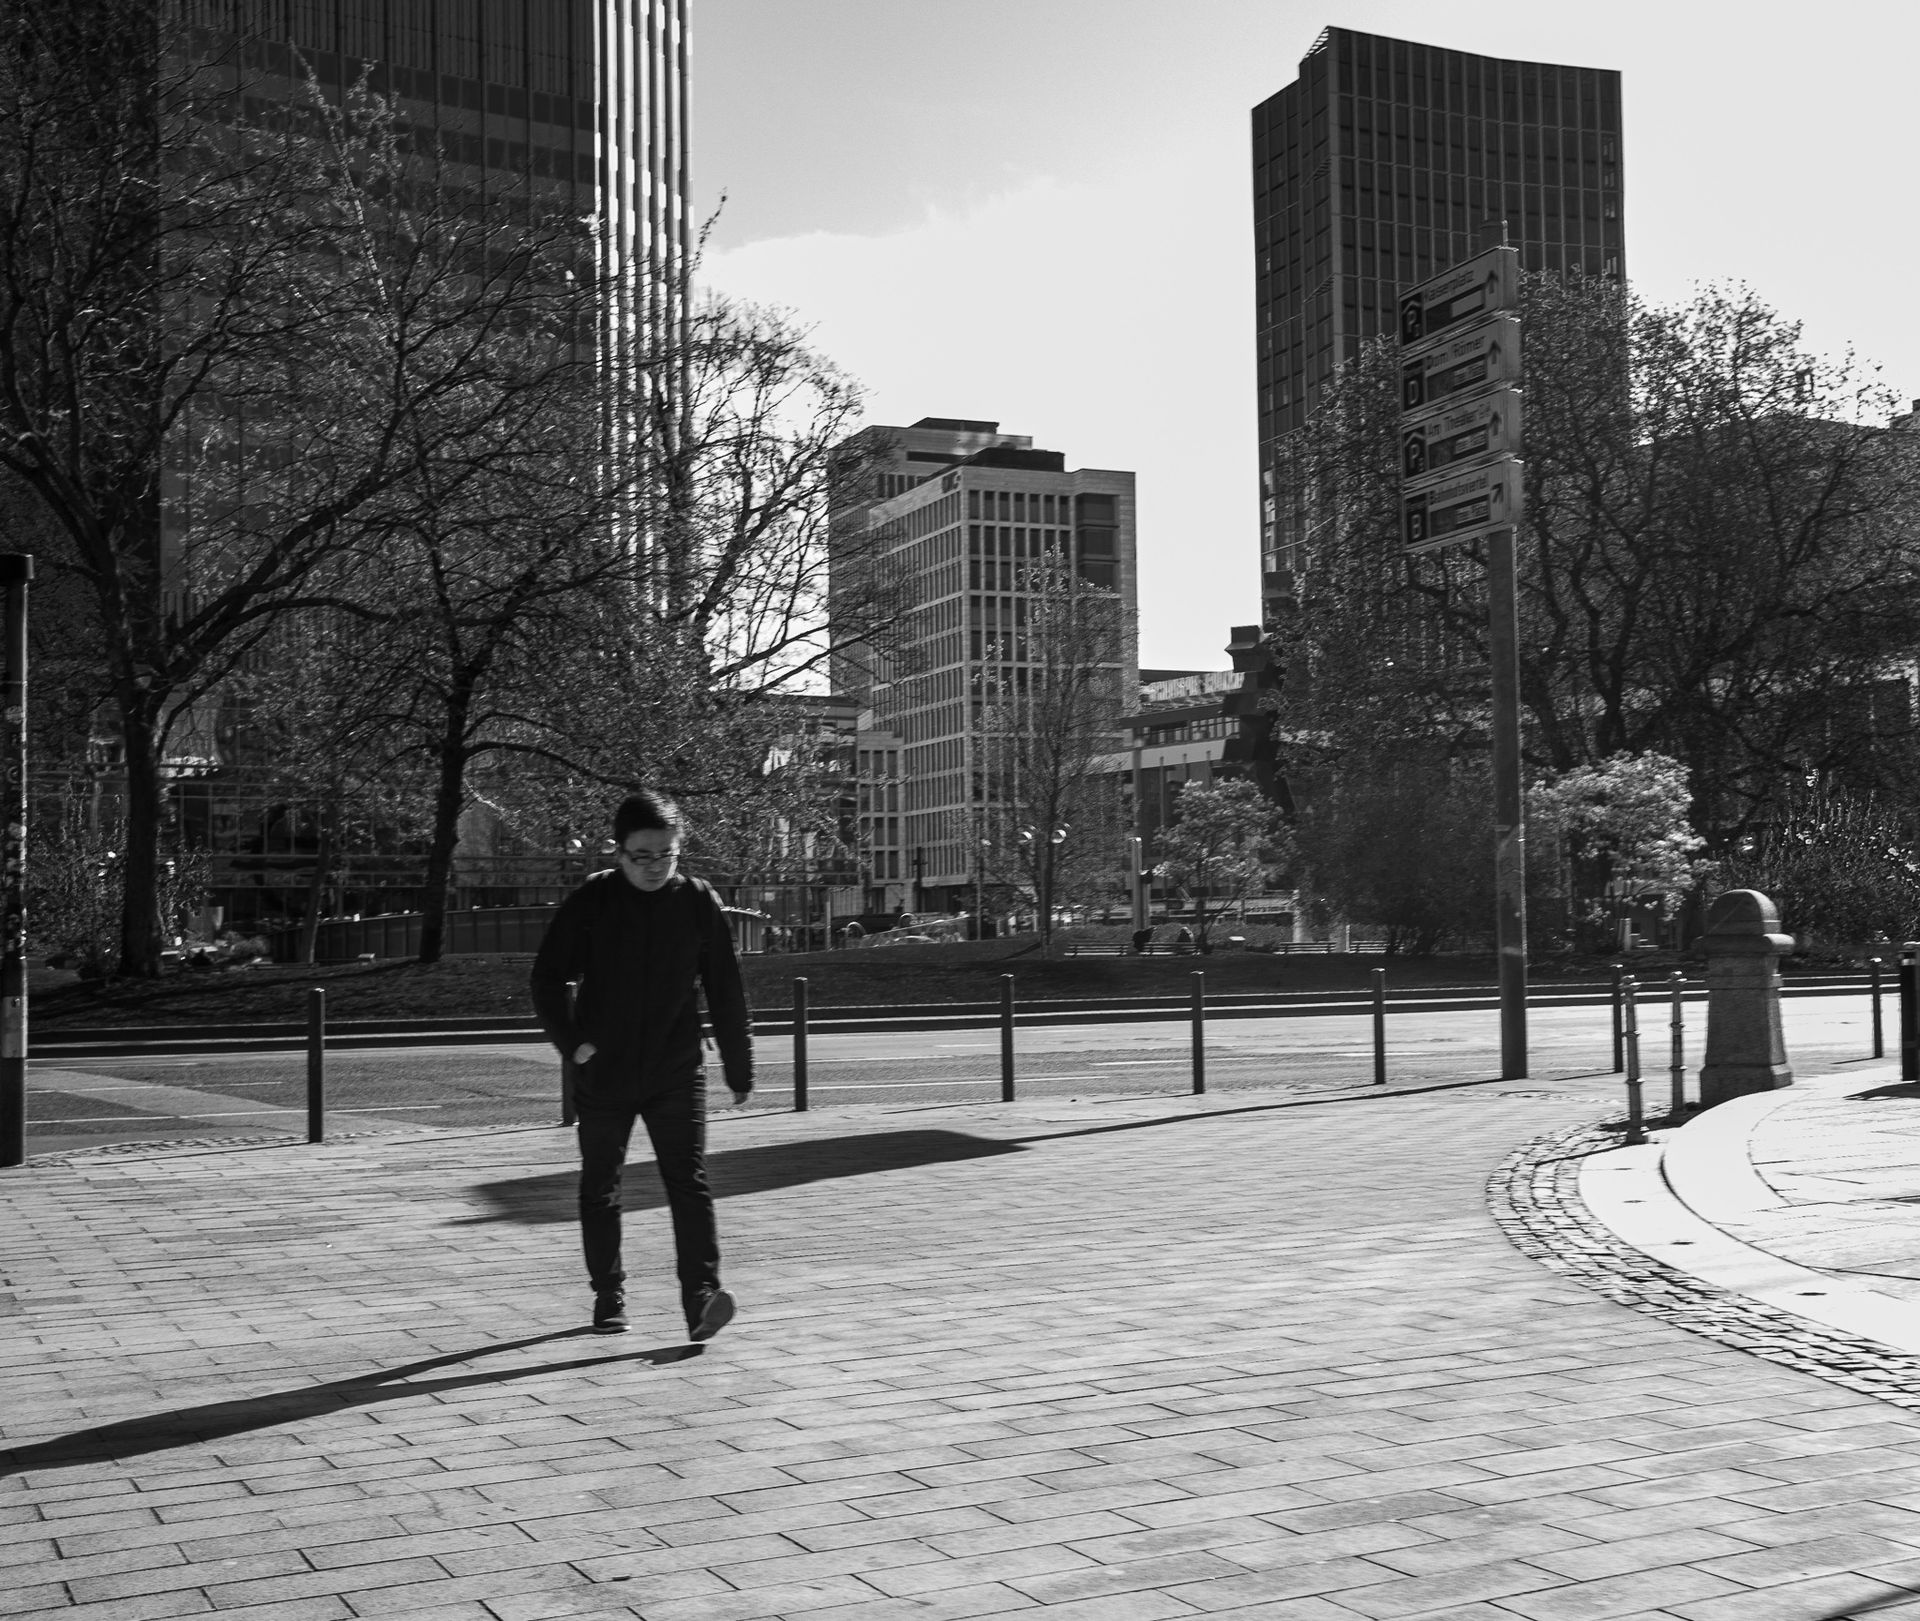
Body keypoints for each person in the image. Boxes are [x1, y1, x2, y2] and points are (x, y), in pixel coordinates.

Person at [531, 789, 753, 1340]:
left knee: (690, 1182)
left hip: (676, 1070)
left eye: (667, 854)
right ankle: (609, 1293)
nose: (656, 867)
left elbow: (726, 988)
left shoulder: (698, 901)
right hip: (604, 1073)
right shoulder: (594, 902)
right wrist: (575, 1045)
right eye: (642, 855)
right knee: (601, 1184)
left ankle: (701, 1298)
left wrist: (738, 1064)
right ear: (619, 852)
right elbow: (546, 979)